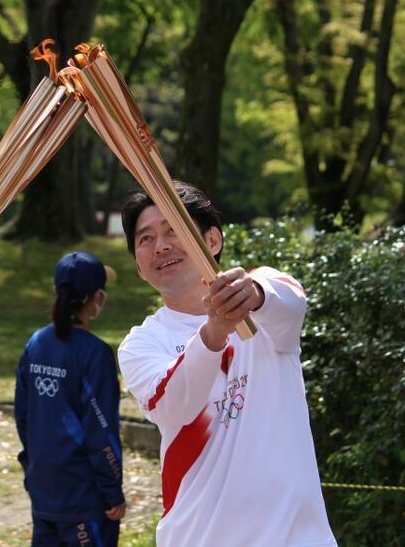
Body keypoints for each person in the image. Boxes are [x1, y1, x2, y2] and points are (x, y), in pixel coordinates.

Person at [117, 182, 337, 547]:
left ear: (213, 241)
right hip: (200, 537)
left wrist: (253, 295)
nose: (161, 246)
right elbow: (173, 403)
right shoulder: (142, 344)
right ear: (139, 265)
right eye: (146, 239)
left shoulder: (265, 299)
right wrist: (214, 332)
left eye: (174, 230)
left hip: (294, 537)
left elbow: (290, 300)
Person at [14, 252, 127, 547]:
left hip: (44, 491)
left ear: (56, 292)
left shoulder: (36, 344)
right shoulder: (96, 354)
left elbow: (23, 416)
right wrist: (112, 491)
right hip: (85, 500)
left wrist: (33, 468)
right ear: (98, 298)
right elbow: (100, 431)